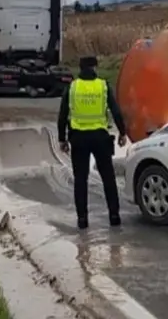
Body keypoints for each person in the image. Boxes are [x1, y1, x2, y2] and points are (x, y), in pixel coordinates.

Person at [57, 55, 128, 229]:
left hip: (78, 139)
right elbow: (116, 111)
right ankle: (114, 216)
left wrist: (62, 139)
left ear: (81, 68)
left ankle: (82, 219)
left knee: (80, 180)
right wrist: (122, 132)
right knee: (108, 178)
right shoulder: (103, 86)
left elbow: (63, 114)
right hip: (100, 138)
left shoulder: (73, 87)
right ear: (95, 67)